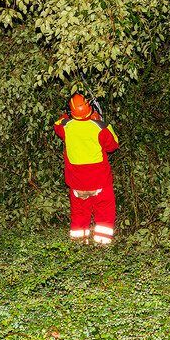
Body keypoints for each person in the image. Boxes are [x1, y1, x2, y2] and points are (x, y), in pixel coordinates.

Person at [54, 93, 119, 244]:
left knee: (79, 216)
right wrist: (101, 121)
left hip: (77, 185)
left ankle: (78, 245)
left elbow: (57, 123)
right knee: (104, 215)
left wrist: (66, 115)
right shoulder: (100, 128)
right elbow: (113, 145)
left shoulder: (65, 127)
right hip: (100, 183)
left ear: (71, 111)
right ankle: (102, 245)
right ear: (90, 108)